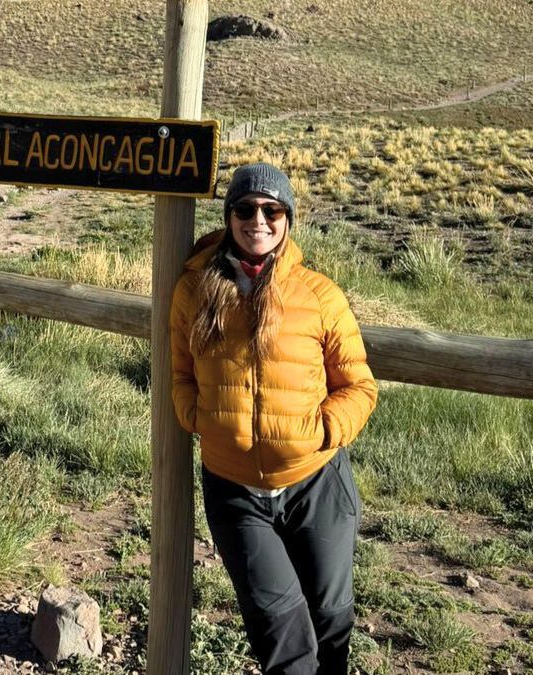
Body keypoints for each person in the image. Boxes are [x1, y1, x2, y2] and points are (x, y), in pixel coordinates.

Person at [169, 163, 378, 674]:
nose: (257, 220)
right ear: (229, 215)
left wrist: (322, 431)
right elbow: (180, 374)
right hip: (234, 490)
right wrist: (201, 419)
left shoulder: (318, 295)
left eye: (271, 210)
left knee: (331, 620)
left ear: (287, 219)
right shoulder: (195, 292)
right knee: (281, 633)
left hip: (316, 483)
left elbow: (358, 386)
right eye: (244, 208)